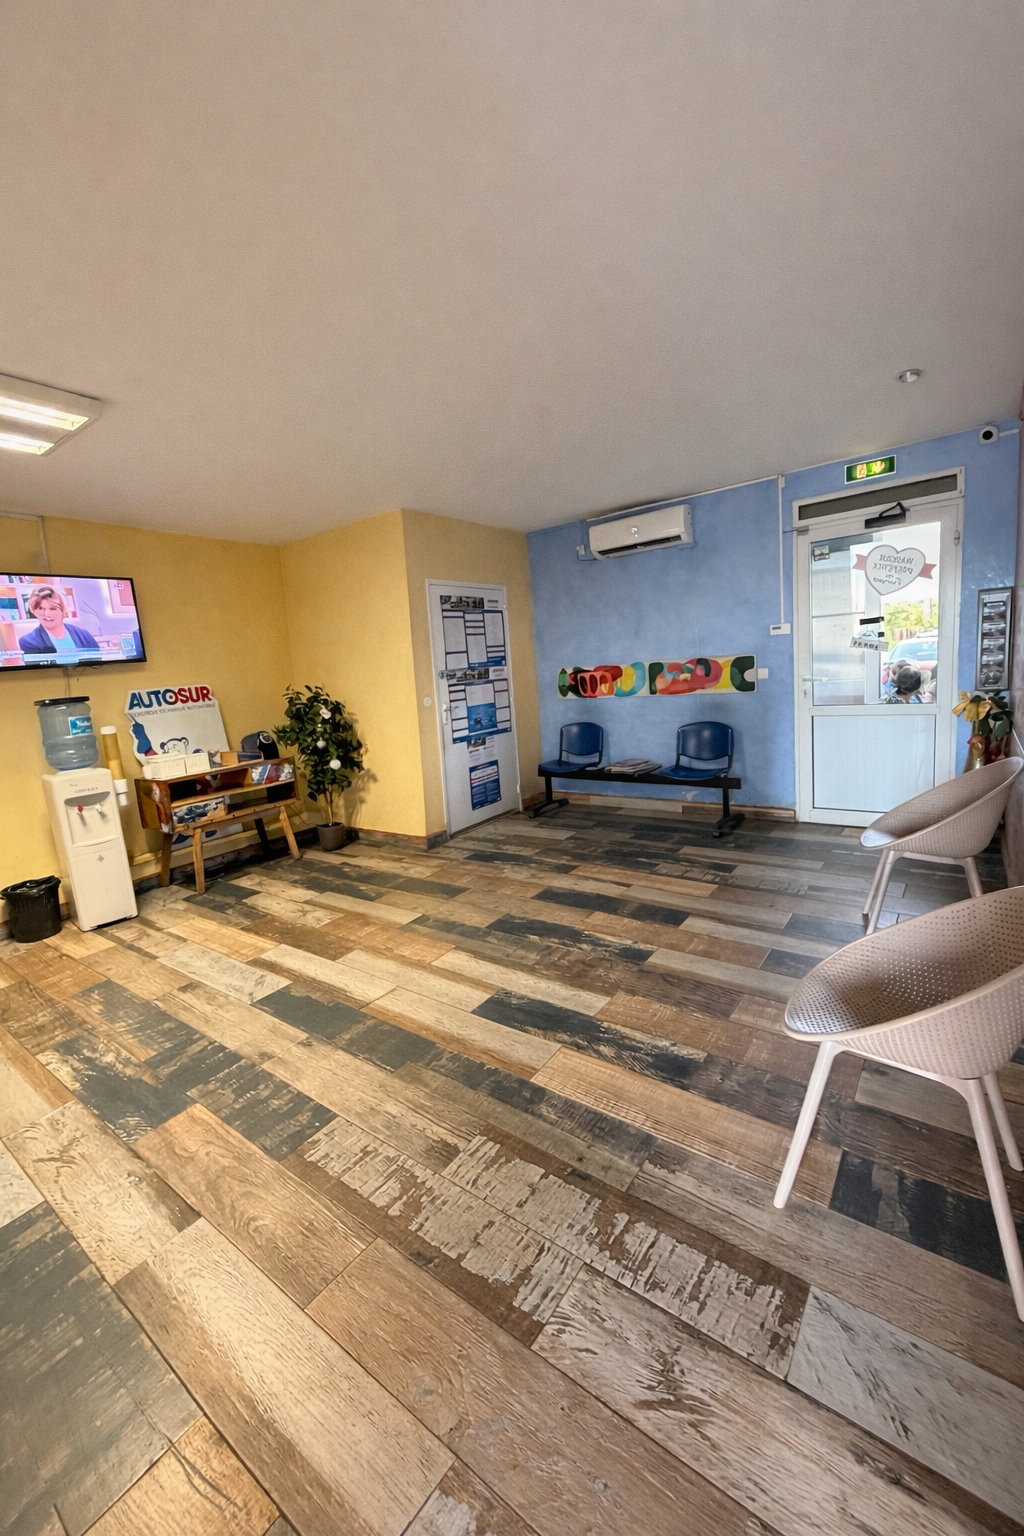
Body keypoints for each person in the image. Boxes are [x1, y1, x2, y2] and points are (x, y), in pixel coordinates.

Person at [18, 587, 99, 655]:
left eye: (52, 609)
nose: (46, 614)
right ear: (34, 611)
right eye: (41, 609)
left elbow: (98, 663)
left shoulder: (83, 634)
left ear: (63, 611)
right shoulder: (28, 641)